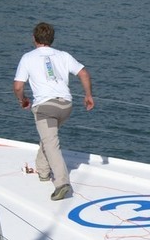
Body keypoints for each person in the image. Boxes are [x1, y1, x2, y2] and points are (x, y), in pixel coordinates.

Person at [13, 22, 94, 201]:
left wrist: (23, 100)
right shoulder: (63, 56)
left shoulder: (28, 57)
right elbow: (84, 74)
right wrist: (88, 96)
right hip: (65, 106)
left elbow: (18, 86)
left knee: (51, 143)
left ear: (34, 39)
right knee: (47, 136)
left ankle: (62, 183)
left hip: (45, 109)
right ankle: (42, 171)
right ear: (52, 39)